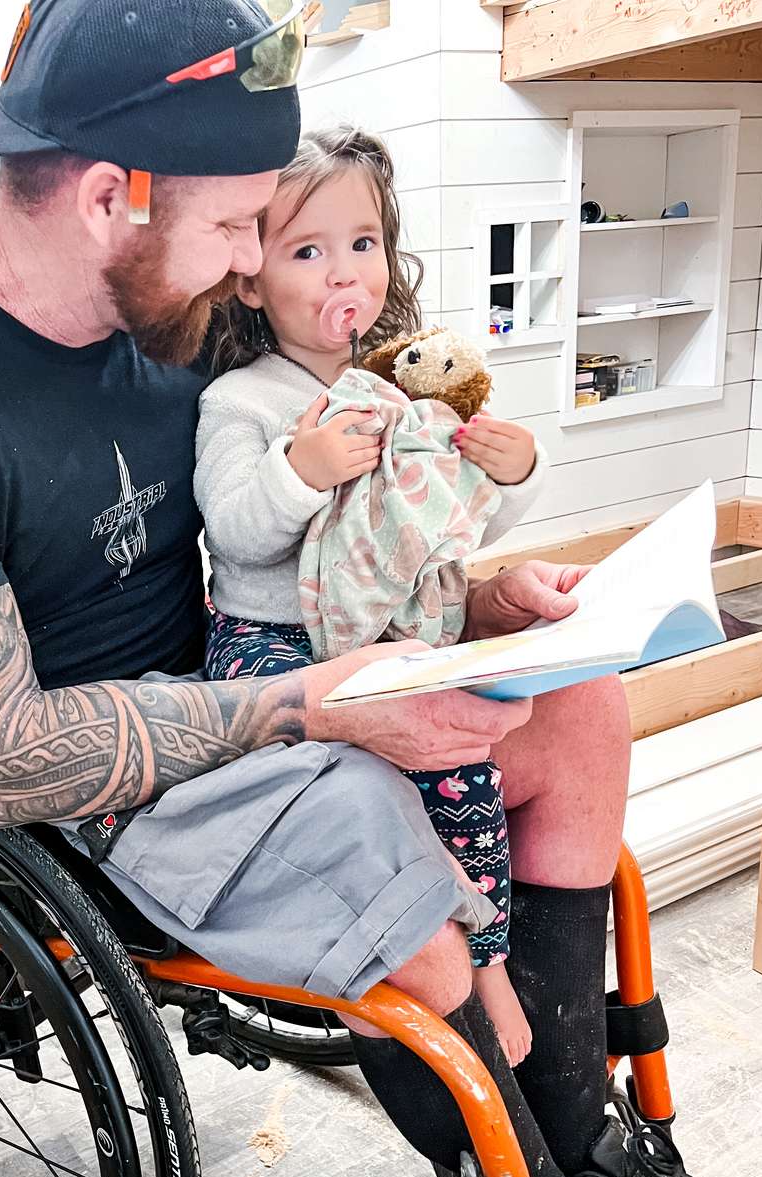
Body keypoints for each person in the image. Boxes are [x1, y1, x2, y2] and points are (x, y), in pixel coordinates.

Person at [0, 3, 751, 1177]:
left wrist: (479, 601)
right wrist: (325, 708)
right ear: (110, 195)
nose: (245, 261)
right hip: (80, 791)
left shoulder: (167, 324)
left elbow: (285, 551)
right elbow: (6, 760)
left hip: (253, 691)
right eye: (233, 224)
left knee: (576, 708)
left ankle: (591, 1144)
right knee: (384, 830)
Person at [198, 124, 548, 1067]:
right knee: (386, 785)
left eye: (363, 243)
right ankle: (444, 964)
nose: (343, 272)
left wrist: (508, 475)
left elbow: (453, 526)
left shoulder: (414, 391)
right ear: (249, 277)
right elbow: (232, 529)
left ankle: (492, 960)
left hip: (393, 634)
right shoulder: (242, 402)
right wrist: (301, 471)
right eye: (306, 251)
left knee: (460, 761)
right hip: (268, 645)